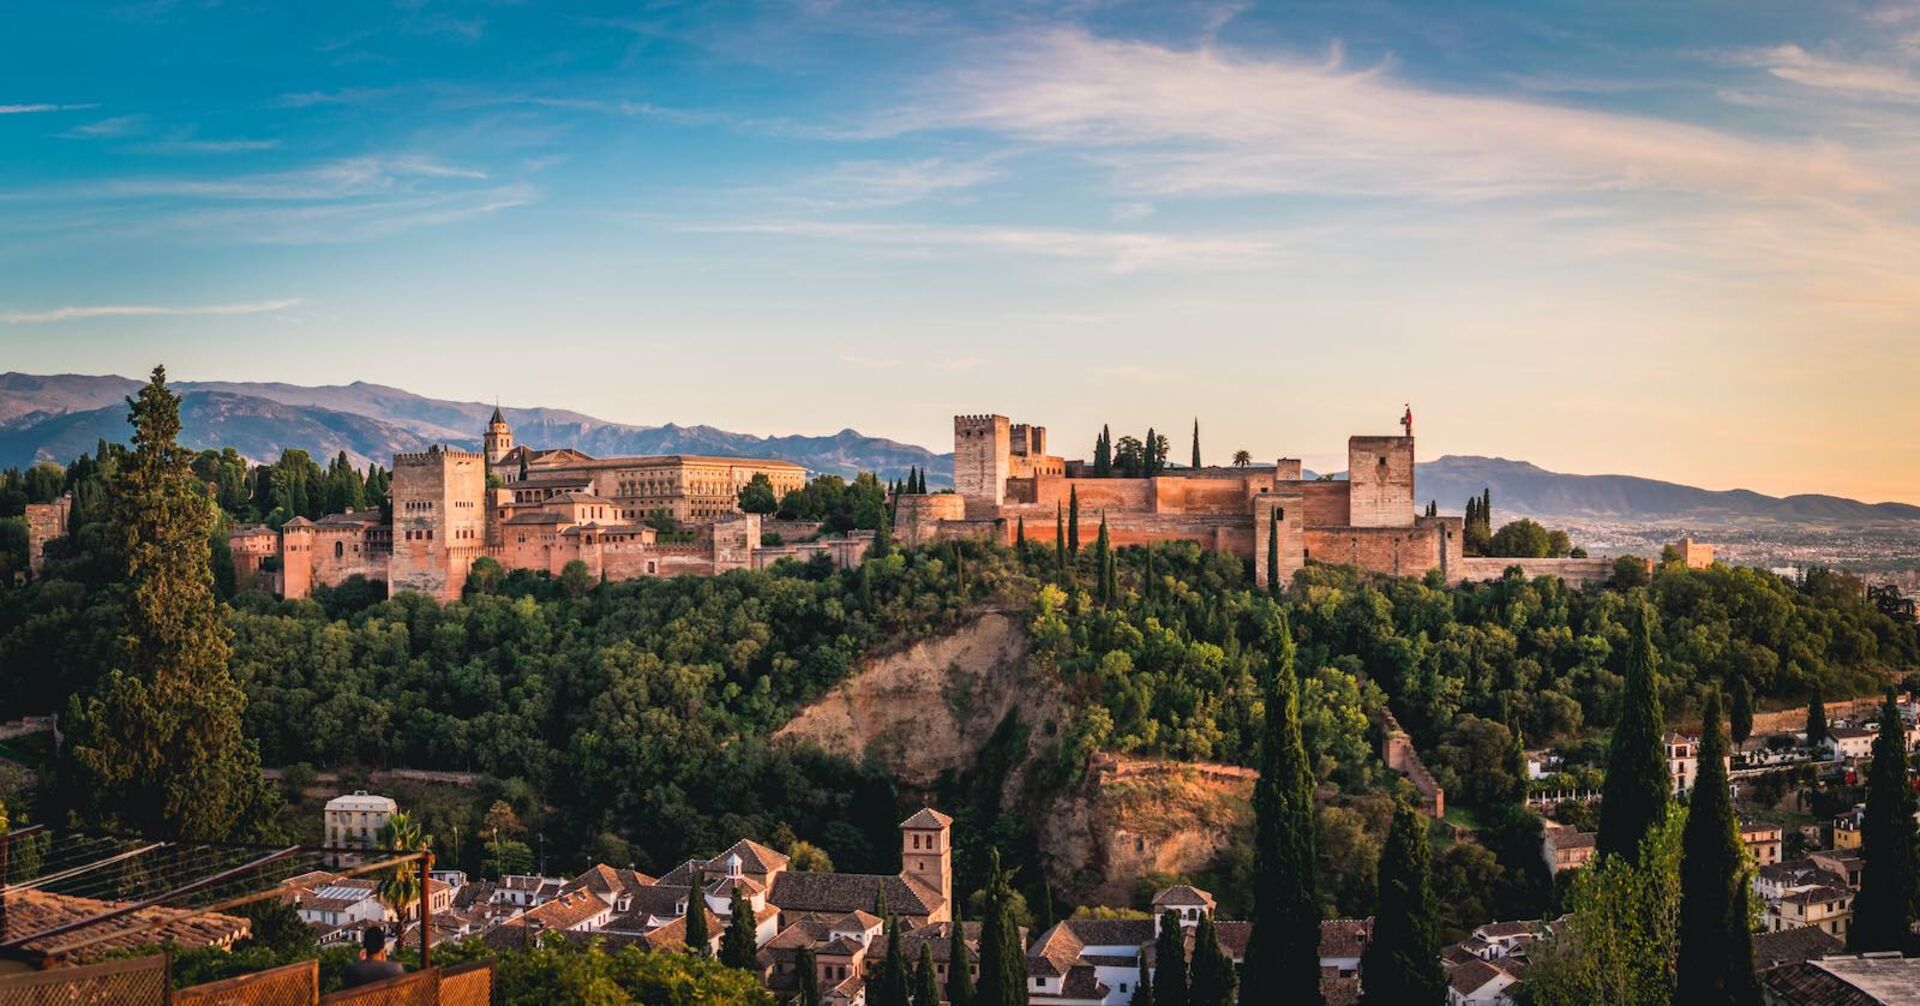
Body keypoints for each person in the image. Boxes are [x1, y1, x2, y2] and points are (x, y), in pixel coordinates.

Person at [340, 925, 407, 988]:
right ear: (383, 945)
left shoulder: (351, 971)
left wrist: (360, 962)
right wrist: (384, 962)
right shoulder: (396, 969)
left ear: (365, 945)